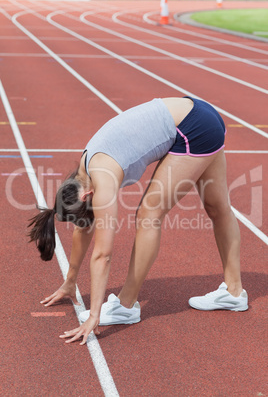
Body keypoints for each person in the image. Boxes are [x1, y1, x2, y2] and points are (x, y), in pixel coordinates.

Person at [28, 96, 248, 346]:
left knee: (148, 214)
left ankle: (125, 305)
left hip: (192, 128)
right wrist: (70, 281)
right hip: (200, 113)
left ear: (87, 195)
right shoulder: (84, 170)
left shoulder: (102, 176)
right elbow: (84, 228)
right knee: (217, 208)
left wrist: (94, 316)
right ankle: (234, 292)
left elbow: (103, 254)